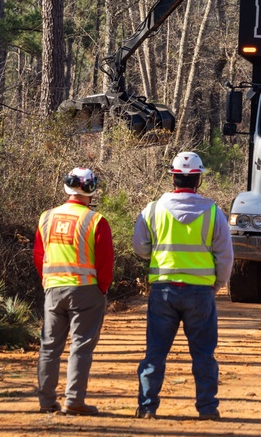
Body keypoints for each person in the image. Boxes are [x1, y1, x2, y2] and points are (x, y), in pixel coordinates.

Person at [133, 152, 233, 421]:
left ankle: (146, 408)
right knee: (203, 354)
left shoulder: (152, 209)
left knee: (155, 353)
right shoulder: (214, 213)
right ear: (198, 179)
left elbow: (140, 247)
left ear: (173, 177)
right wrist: (217, 284)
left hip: (163, 291)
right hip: (200, 293)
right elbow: (225, 255)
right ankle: (208, 409)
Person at [34, 166, 114, 416]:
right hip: (86, 291)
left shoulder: (46, 217)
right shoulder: (96, 221)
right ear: (91, 189)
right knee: (81, 346)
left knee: (49, 346)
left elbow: (39, 255)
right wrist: (102, 289)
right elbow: (105, 261)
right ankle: (74, 400)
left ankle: (46, 401)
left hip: (53, 290)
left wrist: (48, 282)